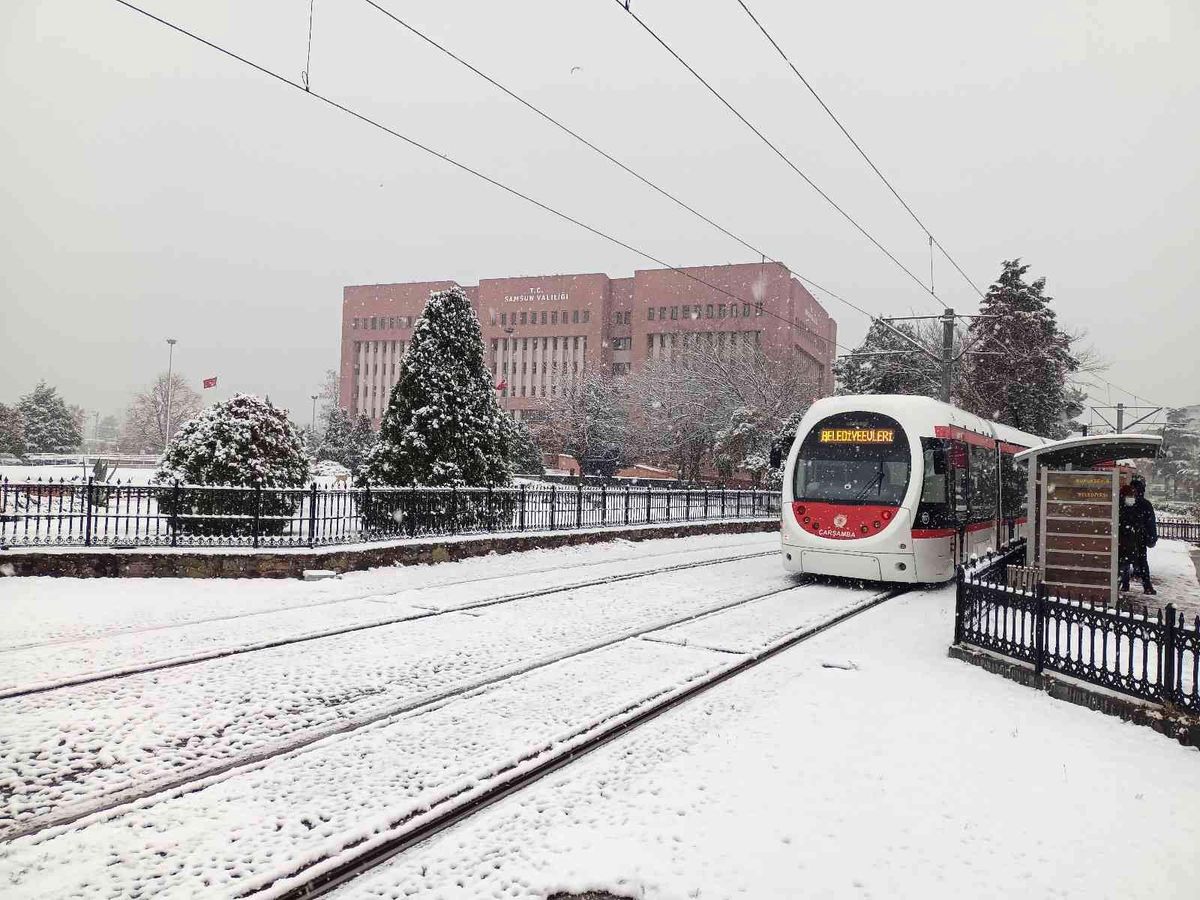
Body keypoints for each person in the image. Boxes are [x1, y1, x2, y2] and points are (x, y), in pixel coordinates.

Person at [1118, 475, 1158, 594]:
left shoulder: (1123, 501)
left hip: (1124, 537)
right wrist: (1152, 538)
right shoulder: (1145, 504)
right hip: (1139, 538)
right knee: (1142, 562)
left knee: (1124, 561)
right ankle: (1147, 586)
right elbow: (1150, 523)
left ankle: (1125, 584)